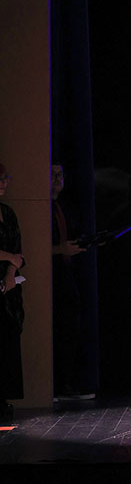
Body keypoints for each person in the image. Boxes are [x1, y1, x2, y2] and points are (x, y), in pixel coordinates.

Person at [51, 163, 93, 400]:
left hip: (67, 274)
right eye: (52, 174)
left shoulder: (64, 207)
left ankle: (66, 383)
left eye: (60, 174)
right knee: (58, 328)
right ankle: (54, 386)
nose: (58, 179)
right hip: (48, 276)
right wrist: (60, 249)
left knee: (71, 328)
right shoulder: (40, 210)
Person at [0, 164, 25, 421]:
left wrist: (9, 274)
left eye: (5, 179)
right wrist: (9, 257)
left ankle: (4, 399)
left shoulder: (8, 213)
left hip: (9, 288)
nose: (3, 184)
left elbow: (18, 253)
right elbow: (12, 255)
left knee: (8, 340)